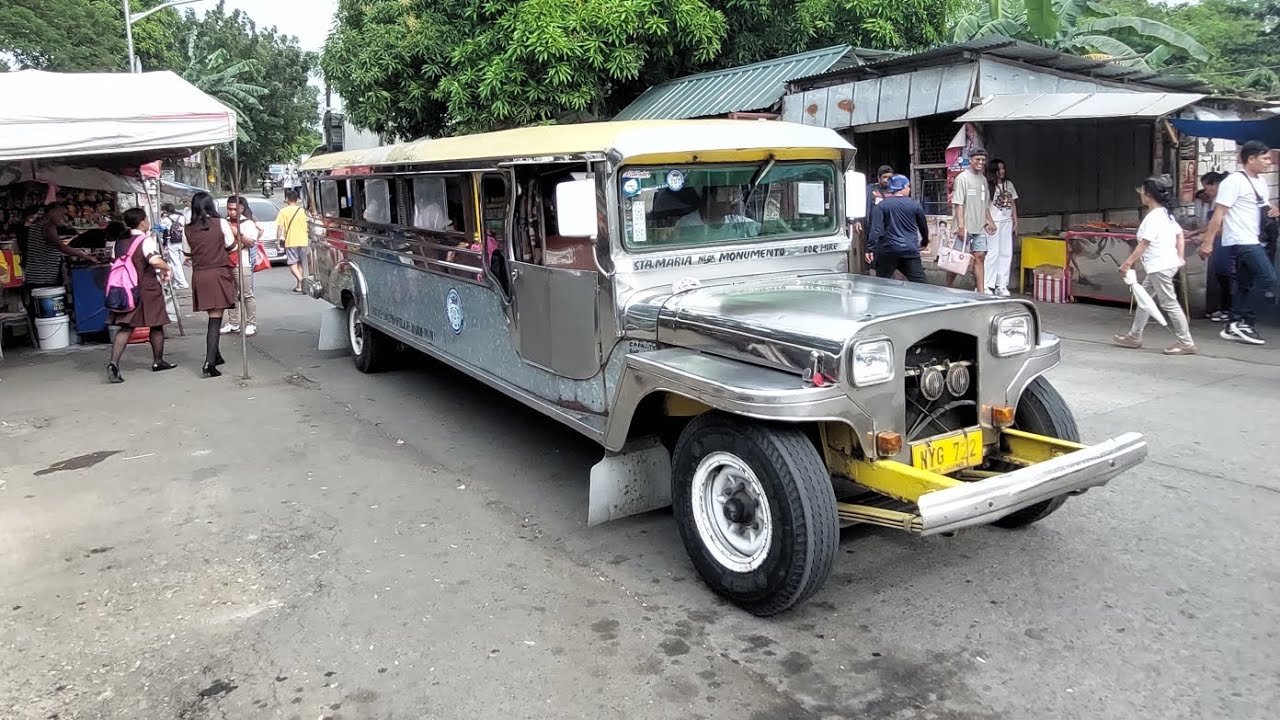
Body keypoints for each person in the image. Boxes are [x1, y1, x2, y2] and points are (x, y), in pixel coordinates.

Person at [1198, 140, 1278, 345]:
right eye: (1265, 158)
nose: (1269, 162)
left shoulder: (1260, 182)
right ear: (1250, 158)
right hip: (1242, 239)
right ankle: (1244, 322)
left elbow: (1263, 208)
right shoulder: (1234, 181)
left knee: (1245, 283)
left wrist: (1274, 210)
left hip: (1257, 238)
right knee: (1268, 278)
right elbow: (1219, 213)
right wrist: (1208, 242)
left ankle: (1235, 322)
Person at [1112, 176, 1195, 356]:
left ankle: (1186, 342)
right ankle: (1134, 335)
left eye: (1142, 192)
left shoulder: (1154, 217)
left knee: (1169, 303)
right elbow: (1180, 234)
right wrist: (1180, 257)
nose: (1140, 195)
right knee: (1145, 298)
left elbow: (1144, 244)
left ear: (1148, 195)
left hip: (1160, 266)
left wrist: (1127, 263)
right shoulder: (1165, 214)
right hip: (1163, 264)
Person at [106, 208, 176, 383]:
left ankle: (114, 363)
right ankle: (158, 361)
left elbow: (113, 262)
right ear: (143, 221)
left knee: (125, 327)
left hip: (126, 289)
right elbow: (154, 260)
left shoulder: (120, 241)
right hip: (147, 289)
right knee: (156, 324)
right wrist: (167, 267)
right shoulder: (145, 240)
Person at [183, 192, 239, 377]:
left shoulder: (187, 228)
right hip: (218, 273)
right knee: (215, 319)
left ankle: (216, 354)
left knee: (212, 315)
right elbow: (232, 246)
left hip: (200, 275)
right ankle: (209, 362)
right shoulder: (220, 223)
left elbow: (187, 253)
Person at [865, 174, 929, 283]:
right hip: (909, 251)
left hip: (888, 250)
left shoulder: (882, 205)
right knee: (922, 285)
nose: (909, 189)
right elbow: (923, 226)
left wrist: (870, 248)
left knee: (881, 284)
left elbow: (875, 229)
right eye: (908, 186)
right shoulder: (915, 204)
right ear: (902, 187)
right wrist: (924, 241)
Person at [947, 150, 995, 292]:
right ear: (971, 160)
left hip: (979, 227)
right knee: (956, 261)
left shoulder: (983, 179)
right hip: (964, 227)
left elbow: (985, 204)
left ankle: (981, 292)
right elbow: (958, 204)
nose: (980, 162)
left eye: (983, 160)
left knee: (980, 257)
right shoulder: (962, 178)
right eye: (977, 159)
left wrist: (990, 221)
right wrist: (961, 227)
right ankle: (947, 288)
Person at [1187, 172, 1230, 321]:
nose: (1206, 192)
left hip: (1224, 243)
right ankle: (1213, 308)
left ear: (1216, 185)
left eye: (1207, 188)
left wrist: (1204, 238)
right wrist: (1195, 232)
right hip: (1214, 242)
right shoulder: (1214, 201)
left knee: (1223, 275)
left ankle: (1224, 309)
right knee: (1213, 276)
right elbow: (1211, 225)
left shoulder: (1224, 202)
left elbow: (1224, 226)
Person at [222, 195, 261, 337]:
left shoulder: (248, 224)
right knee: (231, 294)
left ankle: (251, 323)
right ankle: (233, 322)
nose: (232, 212)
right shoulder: (224, 222)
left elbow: (250, 243)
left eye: (234, 209)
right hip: (226, 262)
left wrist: (237, 233)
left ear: (241, 208)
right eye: (229, 209)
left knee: (246, 294)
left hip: (242, 262)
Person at [984, 158, 1018, 296]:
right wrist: (989, 221)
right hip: (993, 223)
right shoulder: (988, 186)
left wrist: (1015, 221)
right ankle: (987, 284)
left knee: (1006, 253)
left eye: (1003, 168)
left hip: (1006, 222)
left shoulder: (1009, 184)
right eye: (999, 169)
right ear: (994, 171)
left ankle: (1001, 285)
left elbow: (1013, 203)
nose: (1002, 171)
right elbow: (984, 206)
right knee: (993, 252)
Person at [675, 186, 761, 240]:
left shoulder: (739, 223)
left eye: (734, 193)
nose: (734, 200)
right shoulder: (686, 225)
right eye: (728, 194)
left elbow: (763, 231)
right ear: (710, 198)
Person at [275, 189, 309, 293]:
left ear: (286, 199)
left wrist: (277, 241)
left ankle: (302, 281)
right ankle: (299, 286)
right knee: (300, 263)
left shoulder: (283, 211)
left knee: (292, 264)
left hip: (291, 241)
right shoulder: (303, 211)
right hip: (304, 240)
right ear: (297, 199)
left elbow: (280, 227)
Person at [853, 165, 895, 237]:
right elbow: (860, 204)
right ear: (878, 178)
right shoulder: (870, 189)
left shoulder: (896, 190)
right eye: (884, 177)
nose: (887, 180)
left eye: (890, 178)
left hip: (892, 230)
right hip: (874, 229)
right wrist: (857, 220)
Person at [156, 203, 189, 290]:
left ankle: (182, 283)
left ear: (166, 211)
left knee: (175, 263)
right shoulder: (182, 217)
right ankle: (176, 282)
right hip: (183, 242)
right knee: (179, 263)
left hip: (172, 242)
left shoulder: (166, 219)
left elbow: (159, 229)